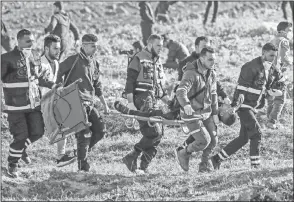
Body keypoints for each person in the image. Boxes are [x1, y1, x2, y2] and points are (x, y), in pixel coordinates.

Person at [211, 43, 284, 170]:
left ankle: (217, 158)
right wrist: (237, 106)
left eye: (275, 56)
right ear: (263, 53)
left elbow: (280, 84)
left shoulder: (273, 69)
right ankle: (255, 166)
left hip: (254, 107)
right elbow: (241, 89)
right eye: (271, 55)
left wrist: (276, 91)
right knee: (257, 133)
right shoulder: (250, 67)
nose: (273, 58)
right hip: (244, 106)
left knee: (243, 138)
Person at [1, 29, 56, 178]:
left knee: (38, 131)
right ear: (18, 41)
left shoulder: (34, 56)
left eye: (32, 41)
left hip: (33, 105)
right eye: (27, 41)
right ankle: (12, 164)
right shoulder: (6, 58)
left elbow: (37, 78)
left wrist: (53, 85)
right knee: (21, 135)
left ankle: (21, 150)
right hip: (15, 107)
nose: (31, 44)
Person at [55, 34, 109, 172]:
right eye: (92, 46)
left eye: (96, 46)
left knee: (101, 130)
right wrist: (59, 88)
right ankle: (82, 168)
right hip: (75, 103)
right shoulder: (72, 60)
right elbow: (57, 72)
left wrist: (104, 104)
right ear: (83, 45)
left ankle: (79, 153)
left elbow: (97, 85)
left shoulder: (95, 63)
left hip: (90, 103)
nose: (95, 49)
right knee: (83, 134)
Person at [123, 34, 169, 173]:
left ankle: (143, 166)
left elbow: (158, 87)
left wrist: (169, 102)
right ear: (149, 45)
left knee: (159, 133)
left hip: (152, 98)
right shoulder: (138, 58)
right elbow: (129, 82)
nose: (161, 48)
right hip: (141, 99)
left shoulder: (157, 61)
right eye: (158, 45)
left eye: (162, 45)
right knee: (153, 132)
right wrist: (130, 103)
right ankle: (132, 156)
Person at [174, 47, 220, 172]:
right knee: (204, 141)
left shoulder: (212, 73)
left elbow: (214, 94)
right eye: (210, 60)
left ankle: (204, 166)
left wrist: (215, 113)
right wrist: (186, 104)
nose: (213, 62)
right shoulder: (191, 73)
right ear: (202, 58)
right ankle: (184, 153)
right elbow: (181, 91)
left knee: (213, 140)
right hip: (191, 114)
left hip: (206, 113)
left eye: (214, 60)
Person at [38, 34, 77, 167]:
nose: (58, 51)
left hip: (52, 101)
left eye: (59, 48)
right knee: (34, 133)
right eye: (55, 48)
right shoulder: (39, 63)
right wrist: (52, 85)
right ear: (46, 48)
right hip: (40, 102)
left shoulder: (55, 63)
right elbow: (38, 80)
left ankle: (61, 156)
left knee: (65, 121)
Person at [178, 36, 231, 106]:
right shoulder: (185, 64)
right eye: (204, 47)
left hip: (208, 100)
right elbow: (181, 86)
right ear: (196, 48)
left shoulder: (209, 62)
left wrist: (224, 96)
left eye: (208, 47)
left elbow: (214, 82)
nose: (207, 50)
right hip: (192, 103)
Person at [266, 21, 292, 129]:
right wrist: (290, 63)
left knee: (272, 97)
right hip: (278, 73)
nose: (290, 32)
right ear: (282, 31)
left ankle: (269, 120)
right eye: (289, 30)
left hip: (268, 71)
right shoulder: (284, 41)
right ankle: (272, 122)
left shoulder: (273, 40)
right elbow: (284, 58)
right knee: (280, 99)